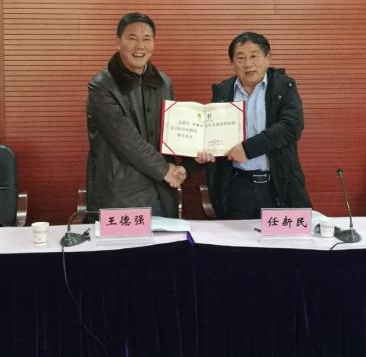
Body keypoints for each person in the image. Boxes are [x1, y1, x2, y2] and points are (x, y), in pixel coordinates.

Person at [86, 13, 186, 217]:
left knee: (163, 239)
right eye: (132, 38)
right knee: (127, 241)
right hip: (121, 197)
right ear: (118, 42)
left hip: (162, 191)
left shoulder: (163, 82)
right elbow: (126, 139)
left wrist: (195, 158)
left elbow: (173, 133)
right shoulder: (101, 86)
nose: (140, 46)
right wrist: (165, 170)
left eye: (146, 39)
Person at [201, 32, 310, 219]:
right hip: (236, 186)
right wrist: (205, 150)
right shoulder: (222, 91)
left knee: (281, 237)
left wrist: (248, 149)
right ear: (232, 63)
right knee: (235, 237)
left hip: (277, 184)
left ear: (268, 58)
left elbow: (292, 127)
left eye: (254, 56)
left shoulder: (284, 87)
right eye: (240, 58)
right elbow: (213, 133)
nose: (248, 64)